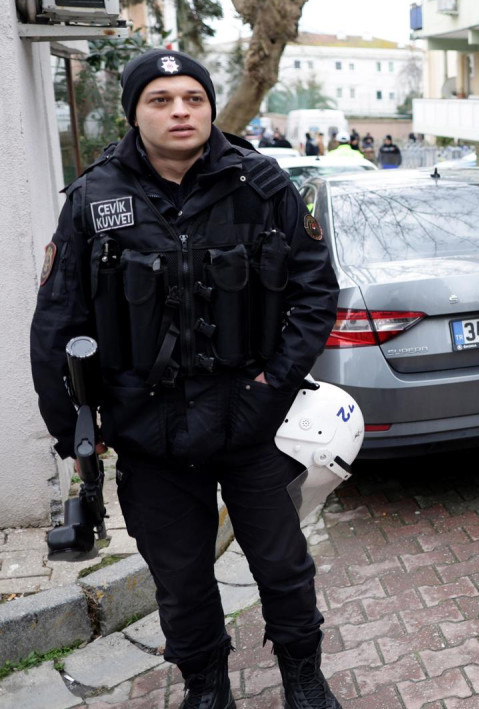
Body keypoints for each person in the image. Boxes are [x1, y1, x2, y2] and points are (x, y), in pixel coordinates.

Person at [29, 49, 343, 709]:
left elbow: (315, 294)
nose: (180, 111)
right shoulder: (94, 198)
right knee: (181, 578)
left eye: (193, 98)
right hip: (148, 431)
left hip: (247, 419)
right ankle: (205, 686)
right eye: (162, 99)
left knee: (285, 565)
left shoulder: (261, 185)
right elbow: (58, 322)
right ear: (135, 113)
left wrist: (272, 390)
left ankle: (305, 678)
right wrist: (77, 435)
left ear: (209, 106)